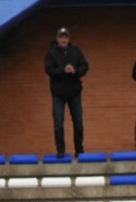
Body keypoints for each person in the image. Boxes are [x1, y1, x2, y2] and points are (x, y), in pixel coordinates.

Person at [45, 27, 89, 158]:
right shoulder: (51, 52)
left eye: (66, 37)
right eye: (61, 37)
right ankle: (61, 150)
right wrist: (63, 70)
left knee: (78, 122)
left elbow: (85, 66)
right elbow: (49, 70)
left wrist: (75, 70)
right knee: (58, 123)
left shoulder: (76, 51)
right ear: (57, 39)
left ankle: (79, 150)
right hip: (58, 93)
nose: (63, 39)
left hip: (74, 92)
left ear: (68, 39)